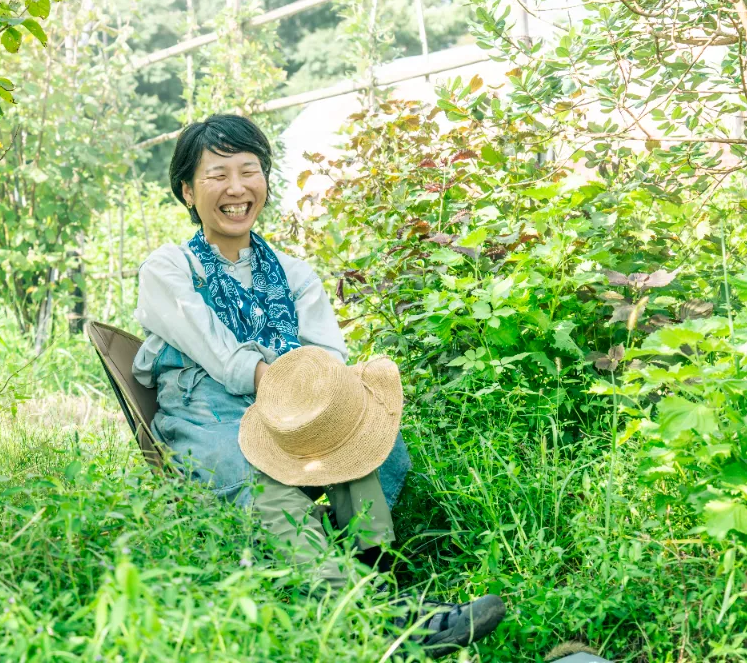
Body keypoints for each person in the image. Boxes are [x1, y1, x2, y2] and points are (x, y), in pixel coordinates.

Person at [132, 114, 504, 656]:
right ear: (188, 191)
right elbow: (212, 345)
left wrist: (317, 404)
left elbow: (327, 356)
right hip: (205, 410)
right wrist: (284, 383)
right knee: (263, 481)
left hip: (291, 404)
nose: (236, 189)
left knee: (354, 442)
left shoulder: (294, 272)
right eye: (217, 175)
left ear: (264, 183)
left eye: (249, 172)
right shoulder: (170, 267)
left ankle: (382, 581)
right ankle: (377, 620)